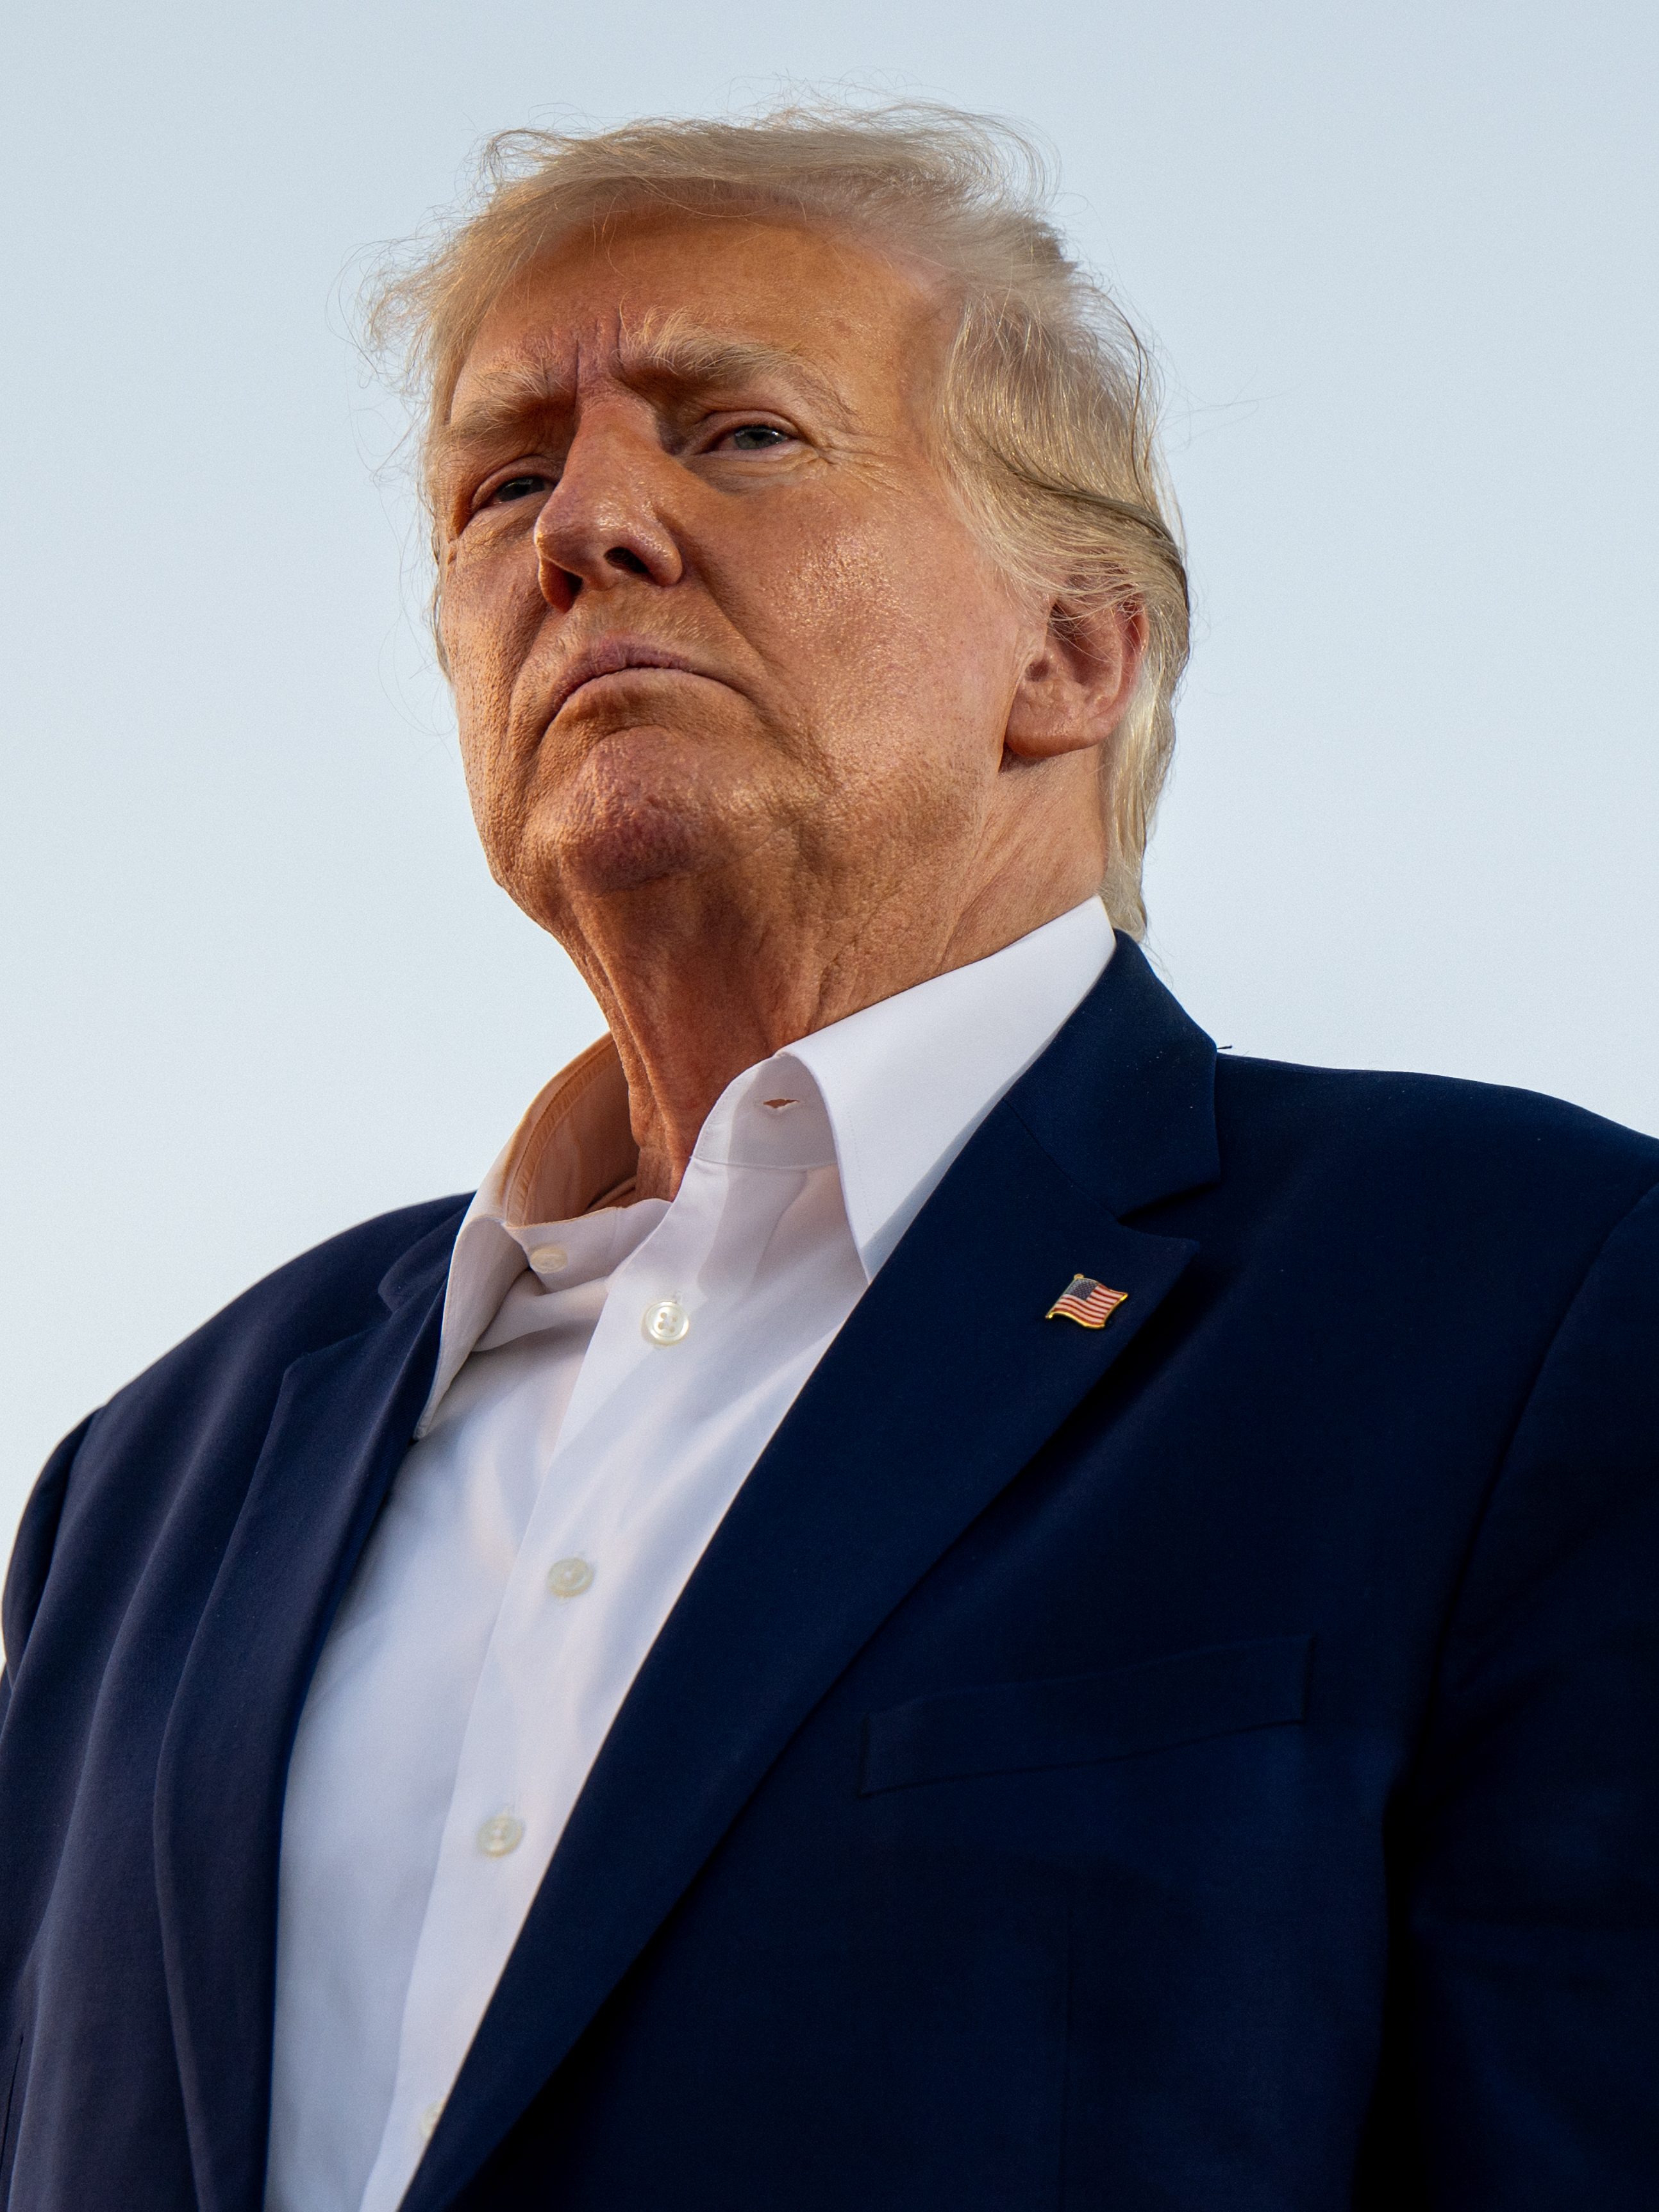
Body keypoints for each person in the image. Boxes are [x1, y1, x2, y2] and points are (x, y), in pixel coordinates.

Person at [2, 99, 1656, 2212]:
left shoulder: (1522, 1302)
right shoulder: (150, 1472)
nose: (583, 525)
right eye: (503, 481)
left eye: (740, 434)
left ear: (1071, 652)